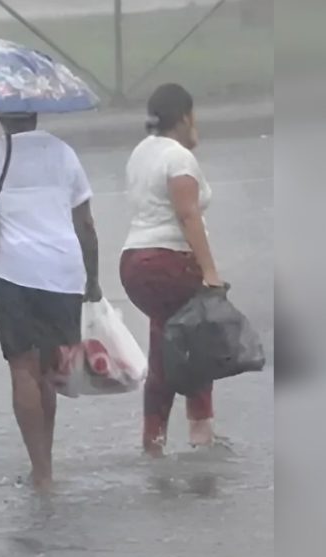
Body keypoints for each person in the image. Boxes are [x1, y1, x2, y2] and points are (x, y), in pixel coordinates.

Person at [0, 112, 100, 493]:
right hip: (64, 271)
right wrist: (94, 280)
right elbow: (85, 222)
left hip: (15, 272)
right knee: (50, 370)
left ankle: (41, 472)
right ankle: (45, 468)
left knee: (23, 369)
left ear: (1, 116)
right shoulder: (63, 152)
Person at [120, 83, 222, 457]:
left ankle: (154, 441)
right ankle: (201, 438)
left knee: (163, 345)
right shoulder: (178, 158)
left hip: (134, 263)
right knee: (197, 345)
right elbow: (187, 214)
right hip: (168, 262)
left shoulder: (142, 152)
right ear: (184, 117)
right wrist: (209, 271)